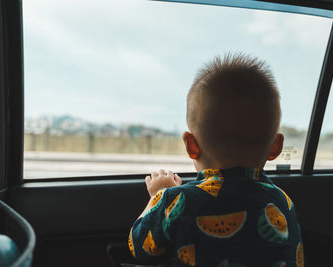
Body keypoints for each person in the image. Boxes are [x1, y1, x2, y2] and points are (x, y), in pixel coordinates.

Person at [128, 53, 304, 267]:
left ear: (191, 146)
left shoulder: (175, 201)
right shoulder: (283, 202)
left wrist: (157, 197)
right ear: (275, 147)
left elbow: (140, 249)